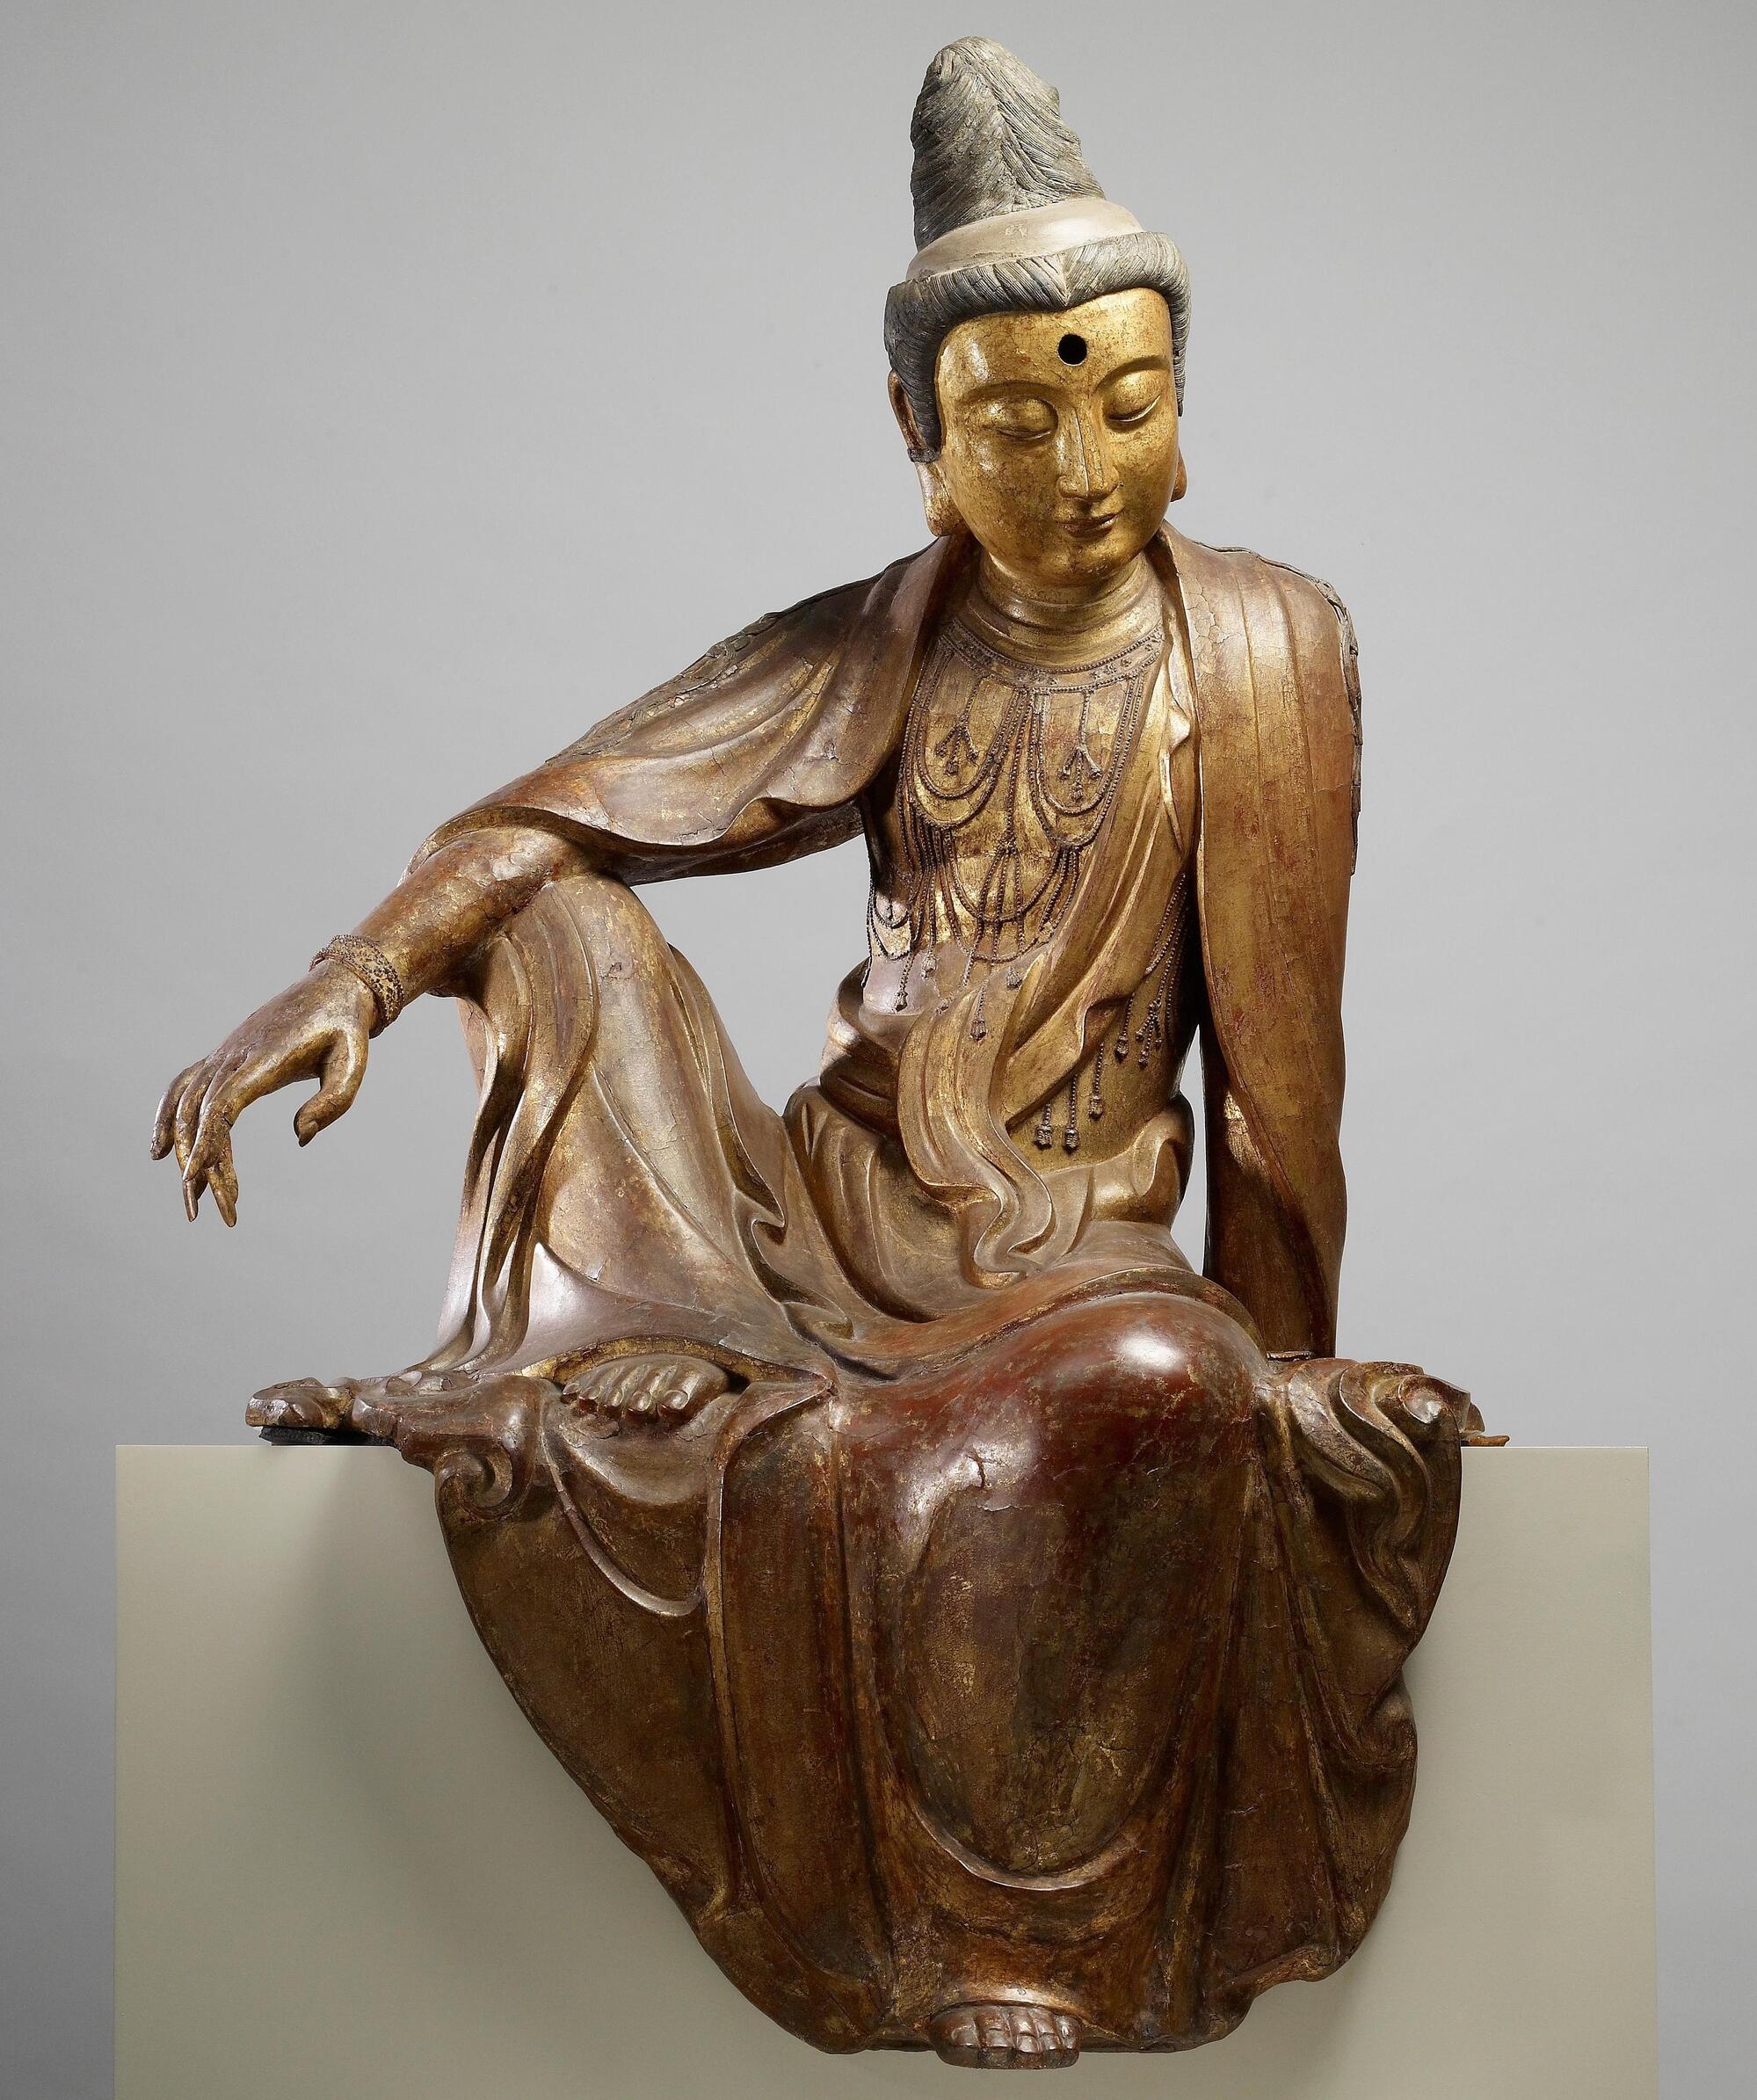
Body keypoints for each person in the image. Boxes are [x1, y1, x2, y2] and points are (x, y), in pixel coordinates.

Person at [153, 38, 1478, 2068]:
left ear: (1183, 413)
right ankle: (645, 1326)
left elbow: (1279, 1092)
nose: (1078, 468)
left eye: (1126, 406)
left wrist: (1285, 1367)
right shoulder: (885, 634)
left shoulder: (1264, 653)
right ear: (913, 431)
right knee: (555, 916)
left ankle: (1007, 1924)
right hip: (822, 1223)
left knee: (1164, 1382)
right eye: (1013, 419)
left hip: (1076, 1259)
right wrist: (350, 976)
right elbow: (555, 817)